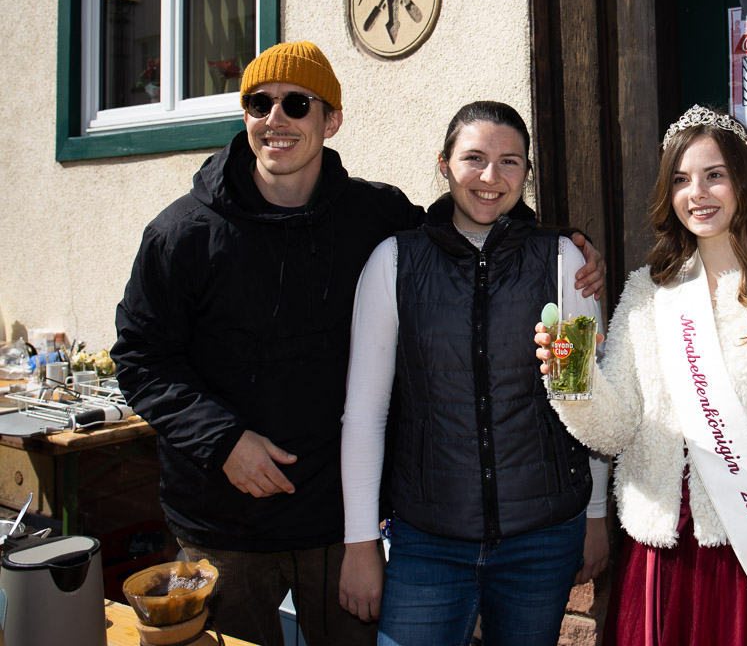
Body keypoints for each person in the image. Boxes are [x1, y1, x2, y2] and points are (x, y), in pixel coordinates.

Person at [113, 44, 604, 646]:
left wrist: (562, 251)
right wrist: (223, 441)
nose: (277, 118)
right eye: (260, 103)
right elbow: (140, 359)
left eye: (297, 104)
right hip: (225, 518)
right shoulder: (182, 234)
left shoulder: (374, 215)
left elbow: (465, 236)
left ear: (332, 120)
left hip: (335, 520)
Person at [537, 106, 747, 646]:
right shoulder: (648, 293)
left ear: (746, 182)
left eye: (715, 175)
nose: (698, 193)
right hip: (658, 562)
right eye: (681, 179)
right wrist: (571, 381)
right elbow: (614, 431)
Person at [338, 100, 610, 646]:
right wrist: (360, 541)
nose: (491, 177)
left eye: (510, 162)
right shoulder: (394, 261)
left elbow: (587, 402)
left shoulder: (563, 261)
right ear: (444, 163)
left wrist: (597, 515)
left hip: (542, 538)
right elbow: (365, 412)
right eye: (474, 158)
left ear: (527, 173)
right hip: (428, 541)